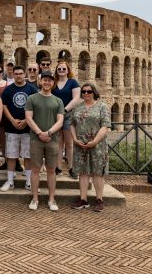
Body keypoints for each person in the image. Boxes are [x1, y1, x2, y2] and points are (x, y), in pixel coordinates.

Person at [25, 70, 64, 211]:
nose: (47, 83)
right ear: (40, 81)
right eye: (45, 80)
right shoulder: (32, 98)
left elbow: (60, 121)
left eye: (50, 80)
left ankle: (52, 199)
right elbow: (28, 118)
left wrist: (48, 132)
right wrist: (39, 133)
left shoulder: (58, 101)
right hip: (36, 139)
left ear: (53, 83)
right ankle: (35, 198)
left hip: (52, 140)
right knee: (35, 170)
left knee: (51, 170)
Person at [70, 83, 111, 212]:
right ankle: (83, 199)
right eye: (83, 91)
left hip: (98, 145)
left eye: (89, 91)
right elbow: (71, 124)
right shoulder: (77, 107)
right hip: (80, 144)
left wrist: (95, 141)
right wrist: (75, 139)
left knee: (98, 172)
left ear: (94, 92)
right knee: (83, 172)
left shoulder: (102, 107)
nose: (86, 94)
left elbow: (105, 126)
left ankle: (99, 199)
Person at [0, 65, 38, 192]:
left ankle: (28, 181)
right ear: (13, 74)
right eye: (16, 74)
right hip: (12, 127)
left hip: (28, 128)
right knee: (11, 156)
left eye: (21, 73)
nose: (19, 76)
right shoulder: (8, 90)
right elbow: (4, 106)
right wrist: (11, 120)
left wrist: (27, 121)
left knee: (28, 156)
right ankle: (10, 181)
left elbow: (35, 108)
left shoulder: (32, 89)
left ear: (25, 74)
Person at [52, 60, 81, 179]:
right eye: (59, 69)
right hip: (56, 115)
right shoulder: (54, 83)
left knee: (69, 143)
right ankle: (57, 167)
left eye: (64, 69)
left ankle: (71, 168)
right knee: (58, 144)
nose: (62, 71)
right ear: (56, 71)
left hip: (68, 115)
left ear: (68, 70)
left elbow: (76, 99)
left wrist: (64, 110)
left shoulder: (72, 82)